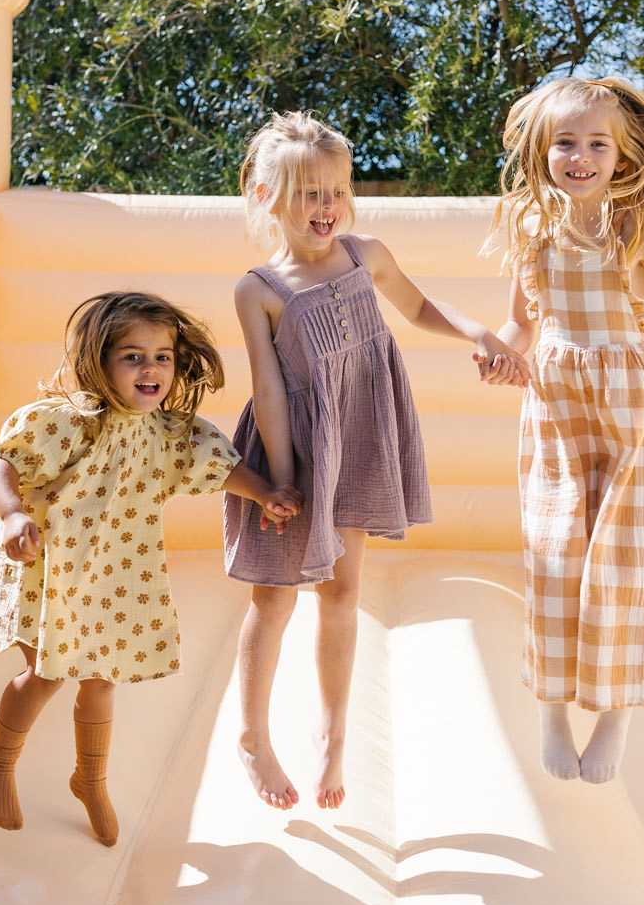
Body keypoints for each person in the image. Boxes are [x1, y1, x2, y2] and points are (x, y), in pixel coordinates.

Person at [223, 110, 527, 812]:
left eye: (335, 191)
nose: (325, 208)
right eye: (307, 193)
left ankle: (331, 731)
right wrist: (281, 476)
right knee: (273, 598)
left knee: (342, 592)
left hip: (358, 435)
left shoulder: (368, 254)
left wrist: (478, 331)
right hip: (293, 451)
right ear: (266, 197)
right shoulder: (259, 290)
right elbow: (268, 386)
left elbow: (418, 308)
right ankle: (252, 735)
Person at [486, 75, 644, 784]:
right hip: (555, 404)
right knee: (555, 555)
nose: (580, 155)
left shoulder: (637, 227)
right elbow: (521, 321)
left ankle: (616, 715)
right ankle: (551, 711)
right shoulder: (528, 227)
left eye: (597, 143)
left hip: (629, 403)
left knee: (619, 564)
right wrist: (502, 352)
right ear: (541, 151)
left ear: (623, 156)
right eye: (565, 142)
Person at [0, 290, 298, 844]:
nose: (151, 368)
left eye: (162, 357)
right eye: (132, 356)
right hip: (48, 570)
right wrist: (10, 516)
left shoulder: (168, 433)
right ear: (99, 362)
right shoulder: (67, 421)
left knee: (102, 680)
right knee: (47, 674)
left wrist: (266, 492)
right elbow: (4, 460)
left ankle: (90, 779)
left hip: (113, 576)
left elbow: (218, 467)